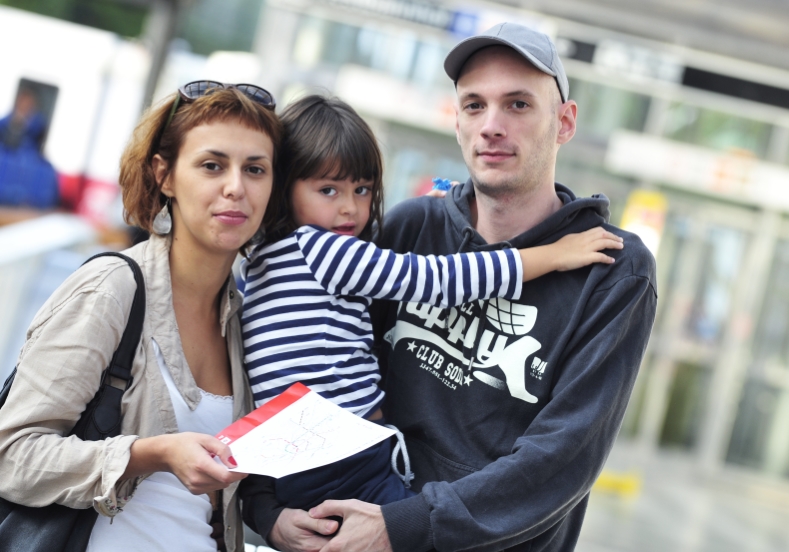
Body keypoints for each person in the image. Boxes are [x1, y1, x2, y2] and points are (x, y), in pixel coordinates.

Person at [271, 23, 658, 552]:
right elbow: (295, 364)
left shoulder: (612, 268)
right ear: (457, 121)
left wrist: (404, 526)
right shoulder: (411, 229)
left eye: (518, 105)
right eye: (474, 105)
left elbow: (560, 460)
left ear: (565, 122)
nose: (492, 126)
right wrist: (267, 510)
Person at [0, 81, 281, 552]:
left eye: (255, 169)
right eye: (212, 165)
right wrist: (147, 454)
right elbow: (11, 454)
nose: (236, 187)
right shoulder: (113, 287)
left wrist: (279, 521)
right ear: (164, 175)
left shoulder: (243, 319)